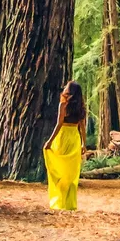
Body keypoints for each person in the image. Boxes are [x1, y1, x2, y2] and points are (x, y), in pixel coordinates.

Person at [43, 81, 87, 211]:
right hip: (74, 138)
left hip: (63, 137)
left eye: (67, 87)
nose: (64, 89)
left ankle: (60, 202)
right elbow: (82, 127)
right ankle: (69, 204)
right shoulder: (81, 107)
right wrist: (84, 143)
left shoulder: (63, 105)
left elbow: (59, 124)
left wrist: (50, 141)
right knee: (71, 172)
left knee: (61, 169)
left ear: (71, 92)